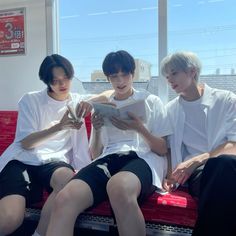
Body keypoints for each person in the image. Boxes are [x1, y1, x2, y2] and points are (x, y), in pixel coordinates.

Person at [45, 50, 172, 236]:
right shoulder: (104, 105)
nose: (120, 81)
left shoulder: (151, 101)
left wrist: (139, 128)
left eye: (125, 74)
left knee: (119, 186)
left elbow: (162, 149)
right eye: (114, 76)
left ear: (132, 74)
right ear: (108, 78)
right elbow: (96, 155)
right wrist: (96, 129)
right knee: (65, 197)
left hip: (144, 156)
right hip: (110, 157)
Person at [0, 54, 94, 236]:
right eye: (55, 81)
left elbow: (109, 95)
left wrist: (90, 103)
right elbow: (26, 143)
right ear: (47, 82)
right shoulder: (31, 100)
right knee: (10, 219)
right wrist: (60, 126)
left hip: (54, 162)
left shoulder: (76, 101)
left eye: (66, 78)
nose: (62, 84)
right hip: (23, 160)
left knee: (67, 178)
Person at [161, 51, 236, 236]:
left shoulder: (226, 100)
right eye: (166, 75)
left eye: (174, 73)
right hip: (196, 175)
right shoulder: (171, 110)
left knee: (223, 164)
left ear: (192, 71)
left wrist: (200, 159)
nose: (169, 79)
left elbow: (234, 142)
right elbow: (168, 148)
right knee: (222, 172)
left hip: (225, 166)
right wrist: (169, 175)